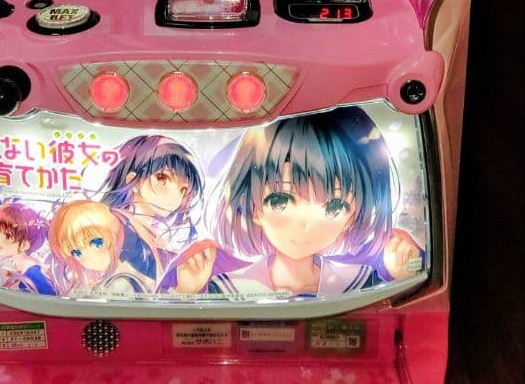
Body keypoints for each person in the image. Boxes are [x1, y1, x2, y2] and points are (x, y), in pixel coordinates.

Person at [210, 107, 423, 298]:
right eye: (280, 201)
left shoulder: (360, 281)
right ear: (253, 208)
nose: (306, 226)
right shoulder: (227, 287)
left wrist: (403, 276)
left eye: (334, 207)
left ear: (352, 217)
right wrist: (192, 288)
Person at [100, 134, 204, 281]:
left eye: (183, 189)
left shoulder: (153, 235)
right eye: (163, 178)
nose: (175, 194)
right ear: (133, 181)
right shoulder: (116, 229)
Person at [48, 200, 149, 296]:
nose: (91, 258)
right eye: (77, 253)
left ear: (113, 236)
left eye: (97, 244)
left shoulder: (122, 281)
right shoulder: (103, 282)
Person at [0, 201, 57, 295]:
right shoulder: (11, 263)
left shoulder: (33, 273)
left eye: (7, 236)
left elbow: (49, 299)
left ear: (24, 245)